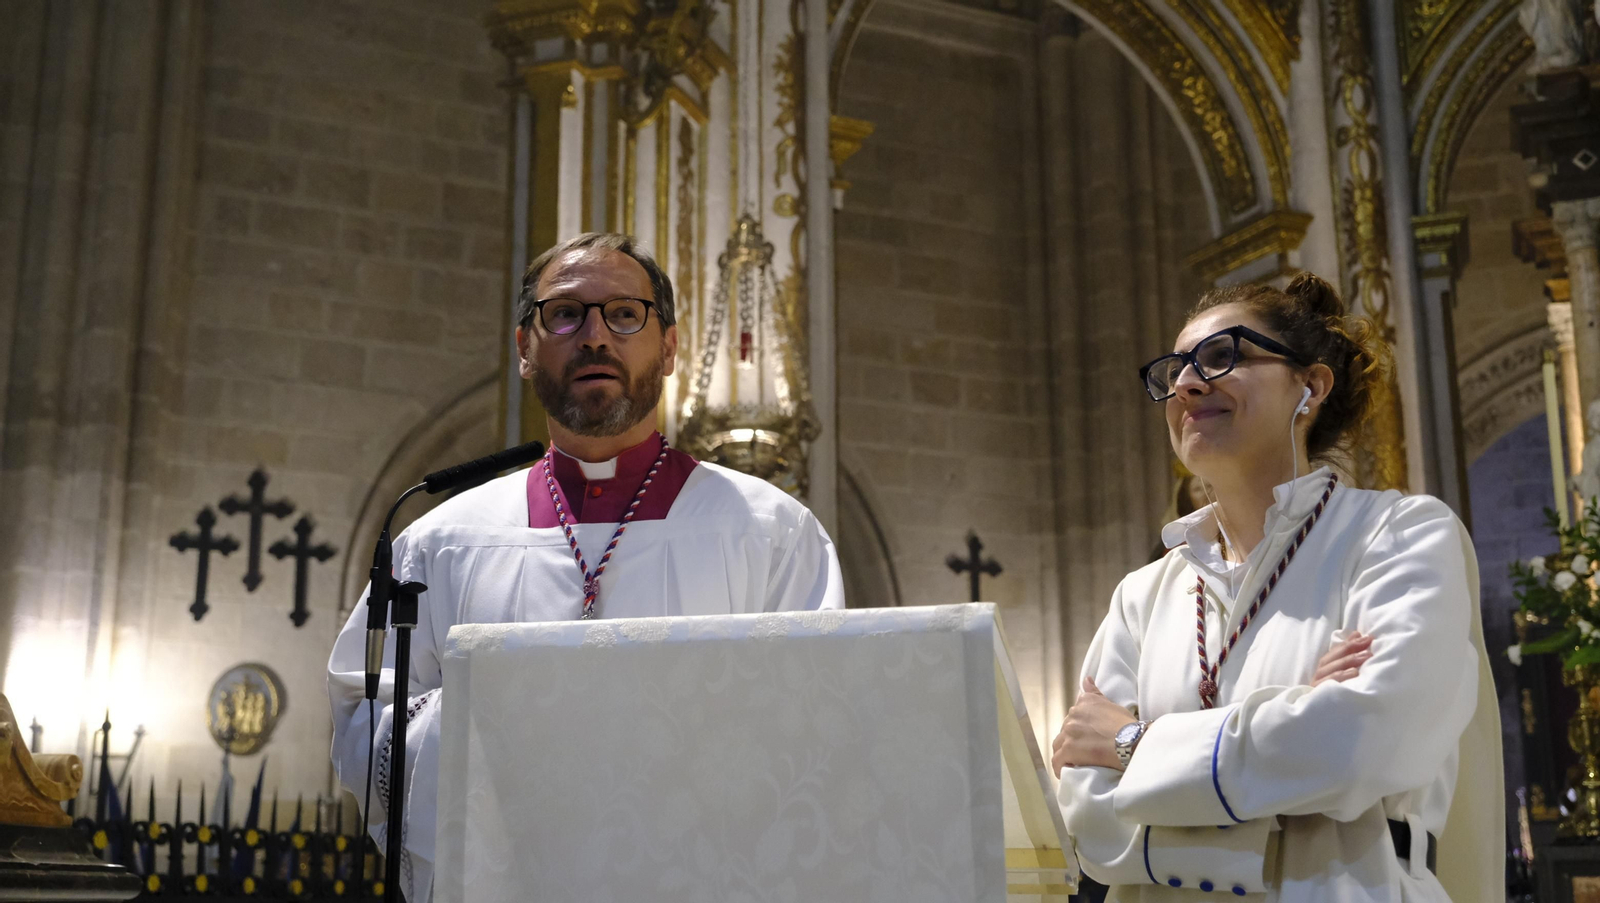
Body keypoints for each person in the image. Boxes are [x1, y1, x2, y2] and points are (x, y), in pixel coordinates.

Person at [327, 232, 845, 903]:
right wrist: (510, 722)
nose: (595, 334)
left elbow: (817, 724)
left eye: (625, 313)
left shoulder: (771, 533)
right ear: (523, 348)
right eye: (565, 313)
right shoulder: (440, 542)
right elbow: (363, 724)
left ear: (669, 345)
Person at [1051, 274, 1502, 901]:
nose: (1185, 383)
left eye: (1221, 355)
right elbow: (1089, 815)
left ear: (1310, 387)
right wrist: (1297, 746)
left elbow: (1364, 742)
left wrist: (1132, 743)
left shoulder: (1398, 535)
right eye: (1176, 368)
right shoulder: (1141, 596)